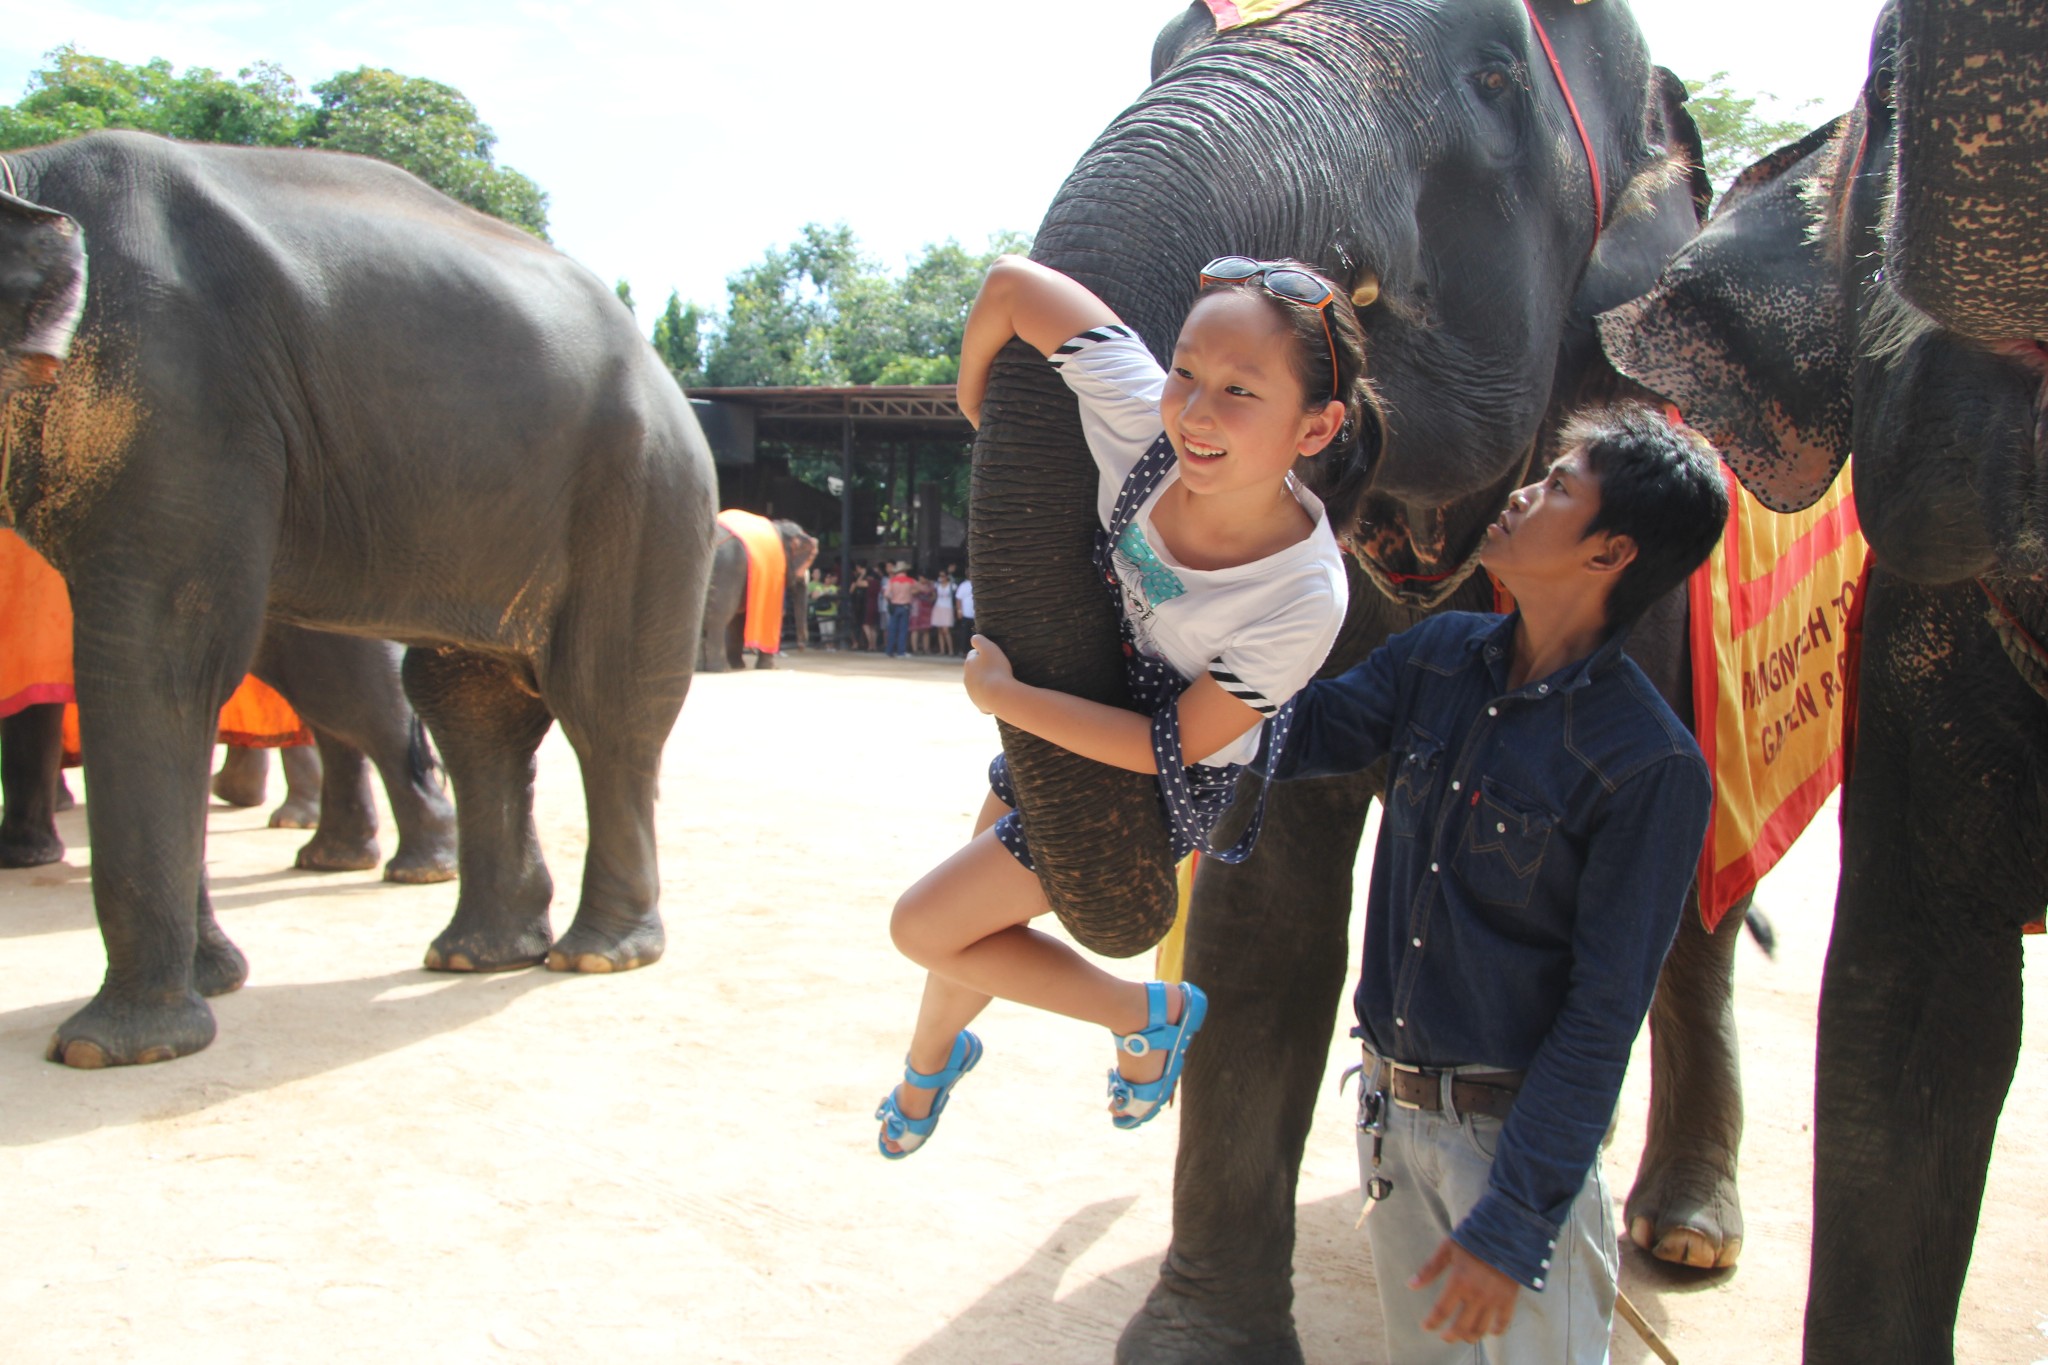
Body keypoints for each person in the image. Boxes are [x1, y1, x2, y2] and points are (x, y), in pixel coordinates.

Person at [875, 252, 1368, 1159]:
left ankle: (1148, 1012)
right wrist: (987, 415)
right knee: (974, 916)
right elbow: (1010, 287)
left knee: (924, 924)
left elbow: (1166, 746)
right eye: (1186, 371)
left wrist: (1007, 698)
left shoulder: (1306, 594)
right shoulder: (1145, 420)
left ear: (1317, 425)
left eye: (1240, 392)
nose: (1196, 411)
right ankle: (928, 1062)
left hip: (1155, 778)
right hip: (1083, 696)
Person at [1267, 405, 1728, 1361]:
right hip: (1392, 1125)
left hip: (1509, 1149)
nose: (1522, 492)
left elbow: (1604, 1013)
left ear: (1610, 554)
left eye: (1559, 486)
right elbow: (1297, 736)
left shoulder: (1648, 766)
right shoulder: (1435, 657)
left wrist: (1517, 1218)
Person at [883, 561, 917, 657]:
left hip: (894, 606)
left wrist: (891, 601)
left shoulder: (892, 581)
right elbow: (922, 588)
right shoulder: (910, 581)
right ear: (905, 570)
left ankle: (889, 651)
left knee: (892, 629)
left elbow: (886, 594)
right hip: (905, 606)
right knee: (903, 630)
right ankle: (901, 651)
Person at [929, 569, 957, 656]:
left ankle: (950, 650)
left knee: (946, 630)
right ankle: (942, 650)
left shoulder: (952, 585)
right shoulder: (937, 585)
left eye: (943, 576)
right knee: (940, 630)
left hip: (947, 608)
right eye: (940, 576)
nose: (941, 578)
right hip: (938, 607)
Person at [951, 568, 974, 658]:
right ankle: (964, 651)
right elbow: (958, 599)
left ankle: (974, 651)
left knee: (975, 635)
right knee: (965, 634)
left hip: (976, 615)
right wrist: (959, 610)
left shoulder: (978, 584)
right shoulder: (963, 585)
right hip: (966, 613)